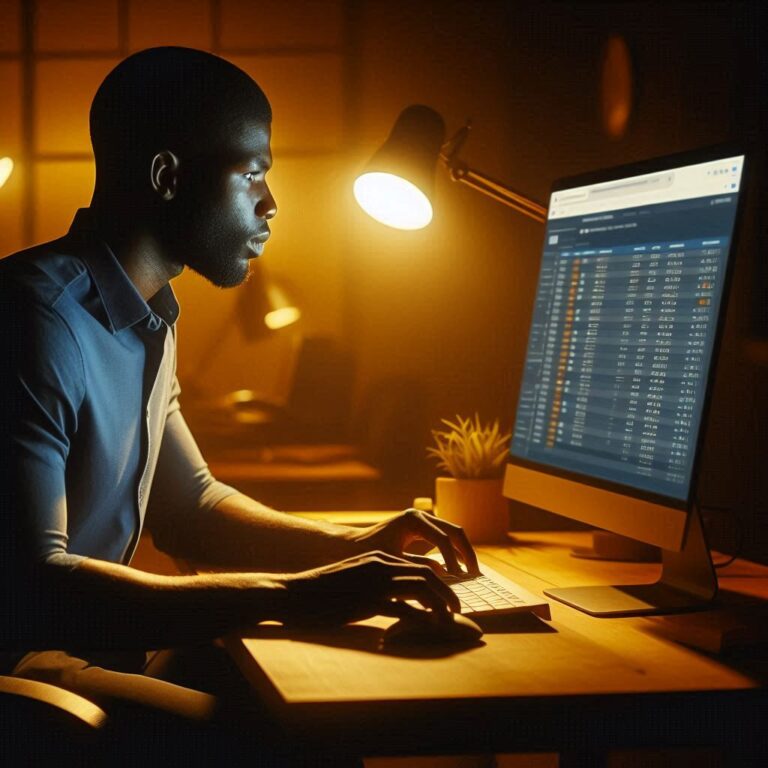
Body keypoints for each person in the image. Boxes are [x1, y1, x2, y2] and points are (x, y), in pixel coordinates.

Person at [0, 47, 477, 764]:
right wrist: (295, 592)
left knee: (340, 680)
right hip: (24, 680)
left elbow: (191, 506)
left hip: (86, 658)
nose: (271, 202)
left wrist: (356, 546)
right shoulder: (39, 320)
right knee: (313, 727)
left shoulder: (148, 314)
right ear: (169, 178)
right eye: (252, 173)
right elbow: (36, 587)